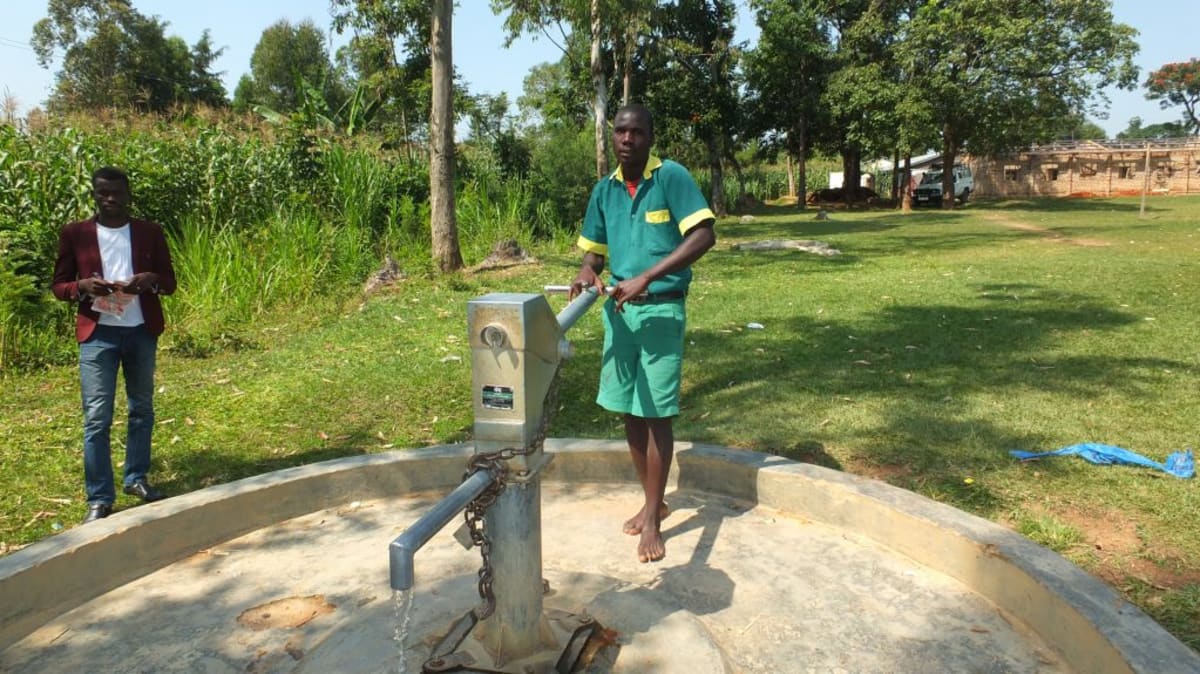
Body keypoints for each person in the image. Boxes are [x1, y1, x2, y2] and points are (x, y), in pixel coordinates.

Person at [569, 104, 716, 563]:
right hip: (619, 315)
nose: (627, 139)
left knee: (656, 415)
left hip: (660, 313)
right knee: (629, 412)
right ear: (612, 137)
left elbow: (704, 235)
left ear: (651, 137)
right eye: (620, 131)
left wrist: (648, 277)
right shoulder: (605, 191)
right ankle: (653, 500)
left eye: (636, 132)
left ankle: (653, 518)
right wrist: (584, 273)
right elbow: (593, 255)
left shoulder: (670, 178)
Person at [52, 166, 177, 523]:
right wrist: (82, 288)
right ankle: (100, 497)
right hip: (98, 335)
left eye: (116, 193)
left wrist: (150, 281)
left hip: (140, 330)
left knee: (142, 409)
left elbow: (169, 283)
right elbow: (59, 285)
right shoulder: (76, 234)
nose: (110, 199)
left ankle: (136, 478)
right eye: (102, 193)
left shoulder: (149, 233)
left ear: (128, 195)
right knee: (96, 417)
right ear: (94, 195)